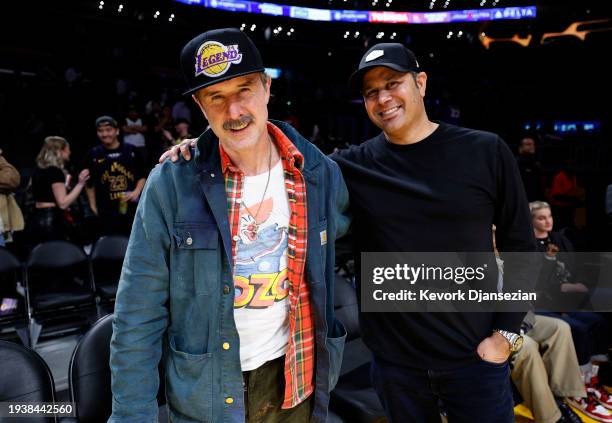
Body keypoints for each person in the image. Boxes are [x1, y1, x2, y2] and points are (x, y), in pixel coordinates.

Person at [164, 42, 536, 422]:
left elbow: (522, 246)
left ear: (420, 83)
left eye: (393, 83)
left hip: (474, 358)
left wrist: (506, 334)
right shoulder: (349, 167)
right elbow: (272, 148)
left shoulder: (485, 150)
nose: (383, 98)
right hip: (397, 368)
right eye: (371, 92)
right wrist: (210, 143)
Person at [109, 28, 349, 423]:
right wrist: (131, 415)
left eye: (244, 89)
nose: (234, 110)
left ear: (267, 88)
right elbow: (138, 312)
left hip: (298, 380)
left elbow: (354, 237)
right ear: (201, 108)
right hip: (209, 393)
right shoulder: (171, 182)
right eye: (216, 97)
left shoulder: (318, 173)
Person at [84, 116, 146, 237]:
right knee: (110, 246)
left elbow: (142, 176)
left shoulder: (131, 150)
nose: (105, 134)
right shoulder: (93, 154)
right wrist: (92, 206)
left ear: (117, 131)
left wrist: (136, 192)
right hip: (106, 211)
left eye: (108, 129)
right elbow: (89, 183)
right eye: (100, 131)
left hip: (131, 209)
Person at [29, 136, 89, 243]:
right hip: (51, 220)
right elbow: (63, 203)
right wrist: (80, 184)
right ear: (60, 151)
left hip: (36, 219)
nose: (70, 152)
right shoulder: (55, 171)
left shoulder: (38, 169)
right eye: (67, 149)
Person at [516, 136, 545, 202]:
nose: (532, 146)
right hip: (521, 200)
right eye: (528, 144)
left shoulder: (535, 164)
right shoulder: (516, 163)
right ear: (521, 147)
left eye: (533, 144)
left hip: (535, 200)